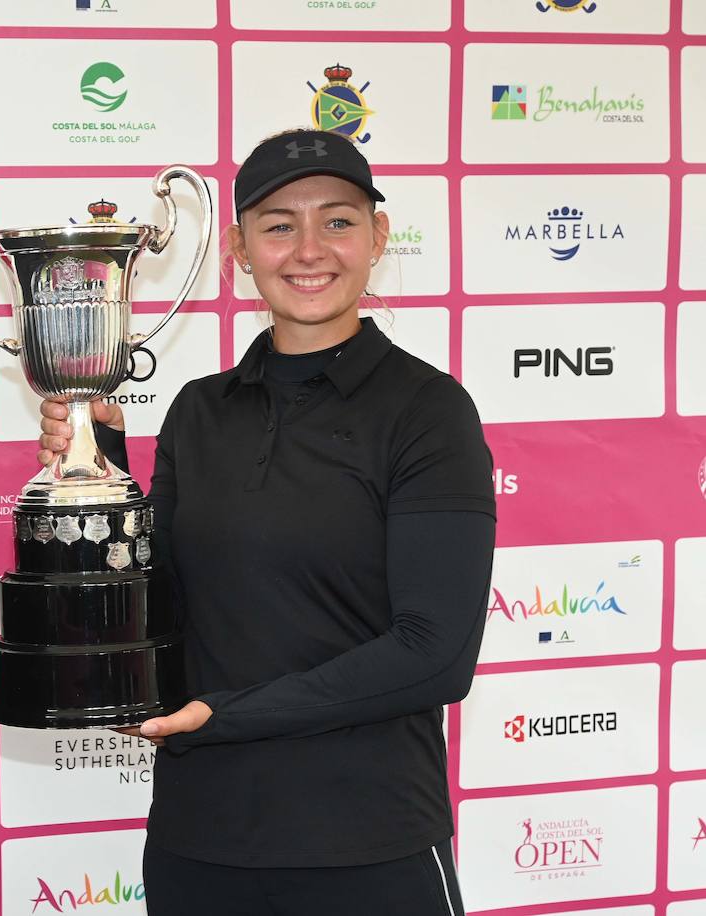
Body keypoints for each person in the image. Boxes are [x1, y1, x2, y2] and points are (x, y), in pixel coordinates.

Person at [37, 129, 495, 915]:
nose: (308, 249)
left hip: (369, 842)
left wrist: (225, 716)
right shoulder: (198, 412)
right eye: (279, 224)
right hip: (201, 840)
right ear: (239, 249)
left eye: (339, 221)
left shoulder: (428, 411)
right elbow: (164, 605)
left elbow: (436, 655)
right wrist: (99, 458)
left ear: (378, 237)